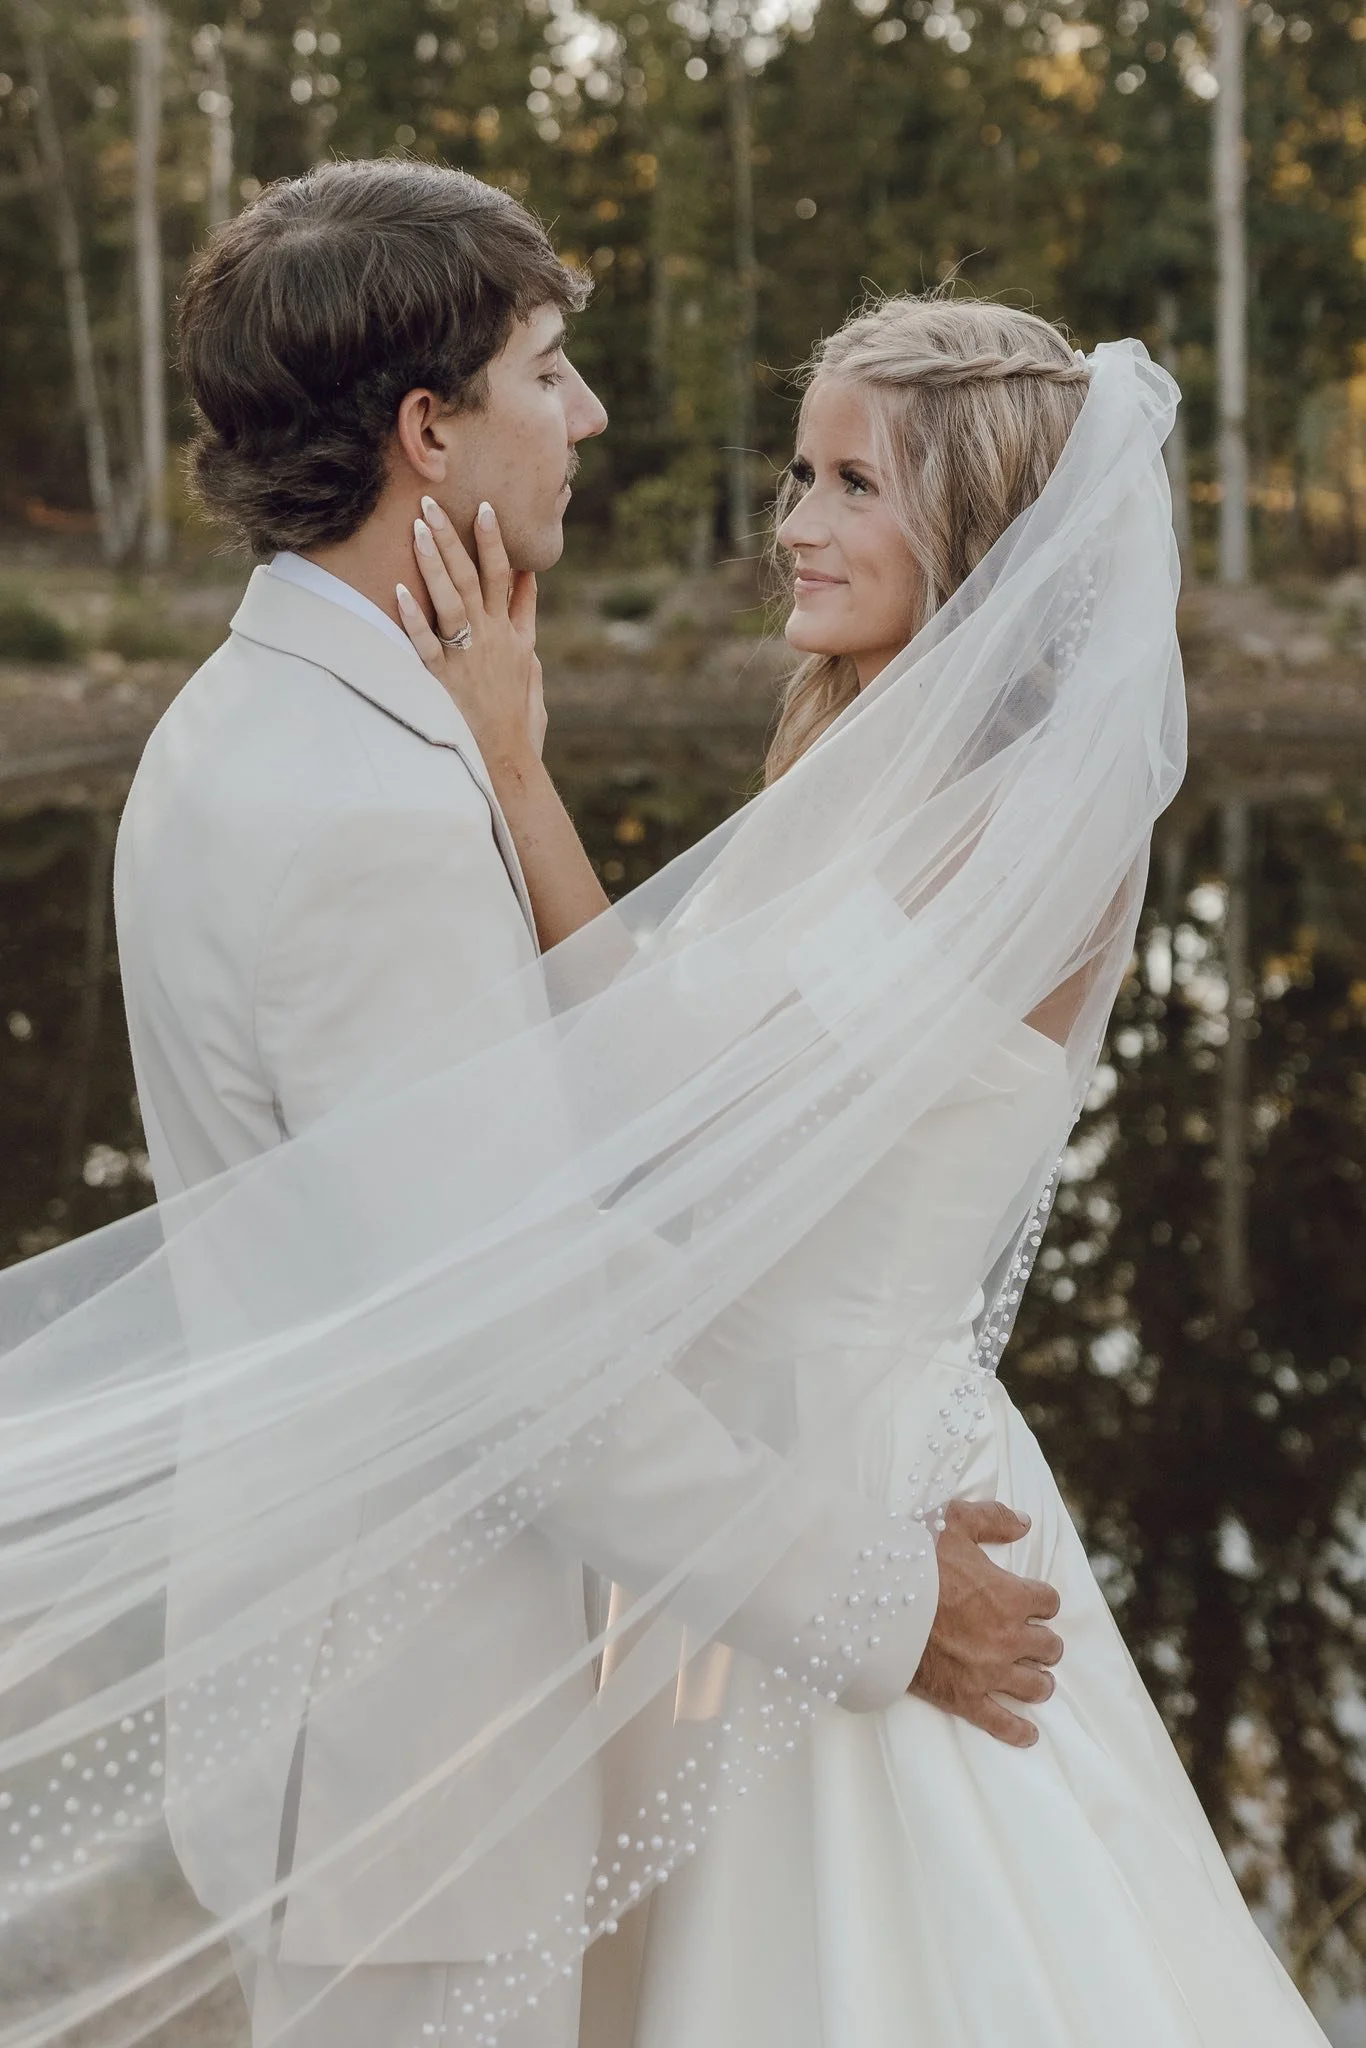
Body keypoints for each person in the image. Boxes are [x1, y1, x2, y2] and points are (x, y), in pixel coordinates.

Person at [102, 162, 1059, 2048]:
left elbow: (564, 1158)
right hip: (407, 1752)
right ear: (424, 427)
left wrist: (518, 778)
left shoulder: (284, 717)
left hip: (398, 1704)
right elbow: (526, 1363)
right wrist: (883, 1614)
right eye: (551, 367)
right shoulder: (357, 812)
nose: (592, 413)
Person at [399, 296, 1332, 2047]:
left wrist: (517, 771)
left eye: (852, 487)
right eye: (799, 473)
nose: (796, 526)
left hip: (859, 1478)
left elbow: (663, 1098)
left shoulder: (1006, 817)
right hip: (739, 1476)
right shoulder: (864, 762)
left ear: (976, 531)